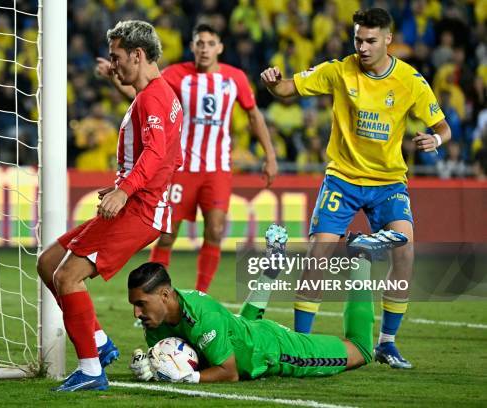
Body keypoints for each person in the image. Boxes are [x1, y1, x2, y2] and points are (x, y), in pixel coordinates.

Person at [260, 7, 452, 369]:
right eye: (358, 39)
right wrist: (274, 84)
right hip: (343, 179)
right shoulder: (338, 69)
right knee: (318, 255)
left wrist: (435, 141)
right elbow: (288, 88)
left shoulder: (410, 80)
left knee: (406, 250)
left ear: (388, 40)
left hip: (387, 182)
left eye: (370, 41)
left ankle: (387, 343)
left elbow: (443, 126)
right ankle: (301, 343)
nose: (362, 47)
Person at [36, 20, 183, 392]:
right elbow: (170, 156)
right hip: (137, 201)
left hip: (139, 209)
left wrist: (127, 190)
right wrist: (122, 185)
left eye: (117, 57)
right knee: (49, 263)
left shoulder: (152, 96)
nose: (114, 65)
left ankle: (90, 370)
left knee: (68, 277)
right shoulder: (159, 94)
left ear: (137, 54)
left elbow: (155, 152)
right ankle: (99, 344)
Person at [97, 23, 278, 294]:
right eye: (199, 43)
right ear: (193, 46)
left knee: (215, 231)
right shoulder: (175, 74)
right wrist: (114, 78)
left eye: (210, 43)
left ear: (220, 47)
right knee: (167, 233)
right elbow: (142, 95)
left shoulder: (235, 78)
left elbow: (253, 115)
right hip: (181, 169)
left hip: (217, 168)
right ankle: (153, 293)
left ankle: (201, 293)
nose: (204, 49)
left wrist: (270, 155)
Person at [127, 231, 407, 383]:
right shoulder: (158, 318)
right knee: (240, 328)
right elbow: (176, 356)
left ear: (164, 295)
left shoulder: (202, 316)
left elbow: (229, 372)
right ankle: (272, 267)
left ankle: (361, 257)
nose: (137, 314)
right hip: (245, 331)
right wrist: (151, 367)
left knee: (360, 349)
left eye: (141, 304)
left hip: (276, 350)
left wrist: (192, 377)